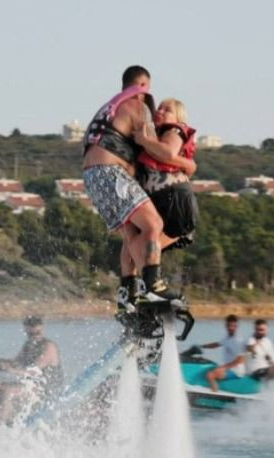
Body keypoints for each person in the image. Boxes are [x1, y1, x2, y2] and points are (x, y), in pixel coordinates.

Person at [81, 65, 192, 311]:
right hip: (110, 174)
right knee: (154, 225)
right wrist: (188, 164)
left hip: (92, 179)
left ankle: (128, 295)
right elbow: (157, 152)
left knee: (132, 233)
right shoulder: (138, 107)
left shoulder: (107, 110)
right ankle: (153, 288)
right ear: (143, 86)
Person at [131, 97, 199, 252]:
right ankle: (144, 274)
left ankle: (145, 274)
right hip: (161, 199)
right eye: (159, 108)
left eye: (167, 110)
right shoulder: (155, 134)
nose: (160, 111)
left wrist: (144, 141)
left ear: (178, 119)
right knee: (143, 249)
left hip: (173, 198)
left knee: (145, 250)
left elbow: (168, 152)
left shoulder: (175, 130)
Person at [0, 316, 63, 423]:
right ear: (25, 331)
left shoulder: (49, 347)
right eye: (30, 334)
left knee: (8, 391)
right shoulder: (28, 344)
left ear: (42, 329)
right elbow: (16, 362)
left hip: (47, 389)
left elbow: (33, 370)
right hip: (33, 385)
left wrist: (11, 370)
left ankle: (2, 426)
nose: (34, 337)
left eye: (37, 333)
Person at [200, 314, 246, 391]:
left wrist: (223, 368)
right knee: (209, 368)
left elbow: (241, 360)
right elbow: (216, 344)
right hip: (229, 368)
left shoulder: (239, 341)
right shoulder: (227, 338)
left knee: (210, 375)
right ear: (226, 326)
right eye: (229, 325)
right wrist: (201, 346)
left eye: (233, 326)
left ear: (236, 326)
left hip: (236, 371)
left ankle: (215, 394)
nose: (231, 328)